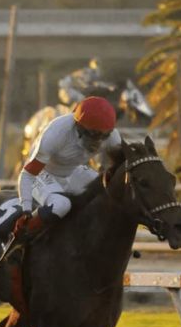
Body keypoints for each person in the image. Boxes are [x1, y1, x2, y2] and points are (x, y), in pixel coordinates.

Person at [12, 96, 122, 243]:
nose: (99, 141)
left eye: (105, 135)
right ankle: (21, 238)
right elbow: (28, 174)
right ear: (79, 127)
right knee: (61, 205)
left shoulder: (113, 136)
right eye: (94, 135)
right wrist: (25, 209)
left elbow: (119, 170)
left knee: (107, 192)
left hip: (73, 170)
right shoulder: (57, 133)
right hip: (42, 173)